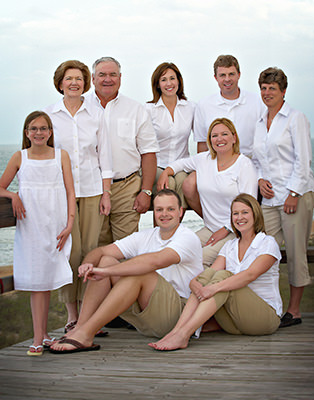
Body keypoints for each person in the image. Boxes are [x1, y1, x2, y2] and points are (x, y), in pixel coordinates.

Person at [49, 189, 203, 354]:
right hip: (145, 318)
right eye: (159, 209)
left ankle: (86, 333)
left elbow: (155, 261)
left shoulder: (187, 238)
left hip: (176, 318)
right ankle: (80, 328)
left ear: (180, 212)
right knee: (106, 260)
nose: (164, 214)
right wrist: (87, 264)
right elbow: (101, 252)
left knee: (141, 272)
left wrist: (106, 272)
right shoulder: (145, 236)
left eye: (170, 209)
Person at [149, 194, 282, 351]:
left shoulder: (267, 243)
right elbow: (210, 273)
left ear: (255, 214)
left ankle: (183, 334)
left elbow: (249, 275)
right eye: (235, 213)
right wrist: (195, 283)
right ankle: (177, 331)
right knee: (208, 278)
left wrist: (213, 288)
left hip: (264, 320)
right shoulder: (230, 246)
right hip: (234, 325)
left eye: (245, 212)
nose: (240, 217)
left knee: (222, 278)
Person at [44, 60, 113, 333]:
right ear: (60, 82)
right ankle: (71, 316)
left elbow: (104, 156)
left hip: (93, 190)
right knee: (69, 254)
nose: (74, 83)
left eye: (79, 78)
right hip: (61, 194)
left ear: (86, 83)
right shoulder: (49, 115)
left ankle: (87, 316)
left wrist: (107, 193)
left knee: (89, 253)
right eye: (69, 78)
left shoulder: (96, 114)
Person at [0, 111, 75, 356]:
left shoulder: (60, 156)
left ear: (50, 132)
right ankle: (37, 337)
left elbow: (70, 192)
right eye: (33, 128)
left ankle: (42, 335)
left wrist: (70, 224)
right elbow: (1, 186)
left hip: (56, 227)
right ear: (26, 133)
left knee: (48, 281)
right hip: (30, 227)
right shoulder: (19, 157)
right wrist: (13, 195)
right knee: (37, 284)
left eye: (43, 128)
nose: (39, 133)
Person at [253, 67, 314, 328]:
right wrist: (259, 179)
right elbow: (256, 160)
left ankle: (294, 310)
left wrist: (294, 193)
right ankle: (268, 305)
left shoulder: (295, 118)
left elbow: (304, 160)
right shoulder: (259, 122)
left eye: (272, 89)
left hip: (295, 197)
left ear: (284, 91)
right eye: (264, 89)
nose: (267, 93)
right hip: (269, 200)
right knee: (263, 249)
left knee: (296, 252)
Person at [157, 118, 258, 268]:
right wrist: (166, 172)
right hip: (210, 228)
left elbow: (249, 205)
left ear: (234, 137)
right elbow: (179, 164)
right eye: (214, 135)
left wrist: (225, 229)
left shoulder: (244, 165)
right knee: (176, 250)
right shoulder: (204, 159)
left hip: (234, 231)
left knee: (198, 260)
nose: (219, 139)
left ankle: (199, 290)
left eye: (224, 134)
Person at [84, 56, 158, 246]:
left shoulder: (135, 109)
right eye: (102, 75)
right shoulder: (81, 107)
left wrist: (146, 192)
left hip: (127, 188)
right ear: (93, 79)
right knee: (95, 246)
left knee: (126, 248)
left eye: (112, 74)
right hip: (91, 188)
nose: (107, 79)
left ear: (120, 77)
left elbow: (148, 152)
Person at [183, 55, 264, 213]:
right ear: (215, 77)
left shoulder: (256, 102)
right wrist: (206, 169)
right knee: (189, 184)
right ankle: (212, 221)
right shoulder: (205, 104)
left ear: (239, 75)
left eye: (231, 74)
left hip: (249, 161)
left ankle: (248, 226)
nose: (227, 79)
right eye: (222, 75)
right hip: (216, 161)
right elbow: (201, 143)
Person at [146, 62, 195, 213]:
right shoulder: (149, 109)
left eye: (172, 78)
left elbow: (201, 138)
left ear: (179, 81)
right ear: (158, 84)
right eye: (164, 79)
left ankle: (176, 232)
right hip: (157, 165)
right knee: (169, 184)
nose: (169, 83)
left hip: (181, 164)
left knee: (181, 181)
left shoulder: (191, 108)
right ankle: (160, 233)